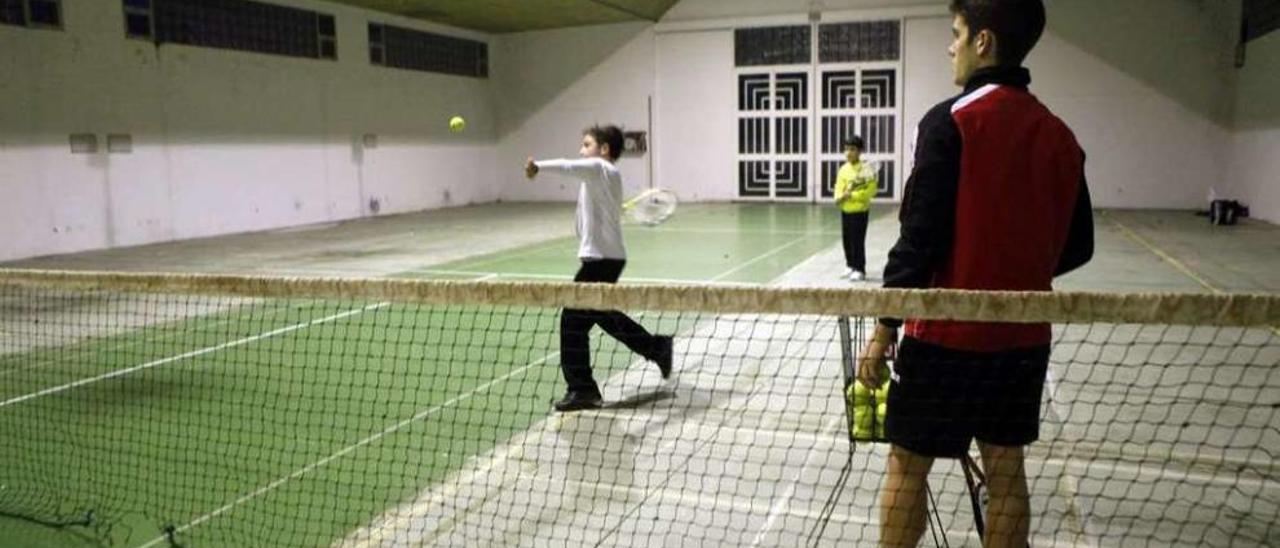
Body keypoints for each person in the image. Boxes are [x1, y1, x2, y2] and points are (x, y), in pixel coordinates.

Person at [856, 1, 1094, 546]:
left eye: (956, 34)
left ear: (983, 42)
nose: (950, 46)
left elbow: (919, 241)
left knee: (907, 467)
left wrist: (883, 329)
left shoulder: (949, 122)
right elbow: (1077, 245)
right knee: (1007, 476)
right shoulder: (1060, 136)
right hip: (1022, 342)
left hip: (944, 341)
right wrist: (1016, 267)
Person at [524, 125, 673, 412]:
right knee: (601, 314)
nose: (581, 150)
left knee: (571, 320)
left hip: (601, 260)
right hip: (605, 257)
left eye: (586, 144)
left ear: (604, 150)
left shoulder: (600, 168)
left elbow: (569, 166)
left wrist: (537, 167)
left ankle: (582, 389)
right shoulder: (600, 179)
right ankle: (657, 348)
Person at [833, 135, 879, 282]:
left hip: (860, 212)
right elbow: (838, 187)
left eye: (852, 149)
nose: (848, 153)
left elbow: (870, 191)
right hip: (845, 211)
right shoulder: (843, 170)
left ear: (860, 151)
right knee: (846, 240)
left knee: (857, 241)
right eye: (846, 149)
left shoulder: (866, 170)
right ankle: (850, 265)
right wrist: (839, 196)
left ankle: (860, 269)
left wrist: (851, 195)